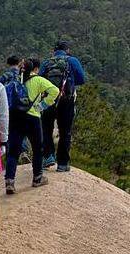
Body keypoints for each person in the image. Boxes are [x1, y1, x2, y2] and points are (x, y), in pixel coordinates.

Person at [5, 58, 59, 195]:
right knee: (37, 148)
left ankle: (10, 181)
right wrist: (43, 105)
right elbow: (55, 90)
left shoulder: (14, 81)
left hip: (15, 117)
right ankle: (37, 178)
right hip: (33, 117)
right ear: (35, 69)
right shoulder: (38, 80)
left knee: (13, 151)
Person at [40, 40, 86, 171]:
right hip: (66, 99)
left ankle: (48, 156)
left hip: (49, 100)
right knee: (65, 131)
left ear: (54, 51)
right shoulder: (72, 61)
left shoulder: (47, 62)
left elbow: (39, 79)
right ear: (68, 50)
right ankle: (63, 163)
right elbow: (81, 79)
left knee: (46, 129)